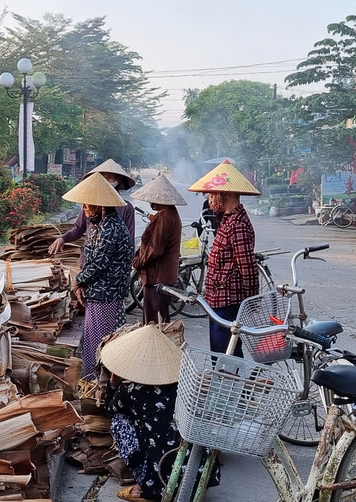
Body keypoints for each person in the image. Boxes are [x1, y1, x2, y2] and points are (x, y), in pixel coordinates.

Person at [100, 324, 218, 502]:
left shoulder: (130, 390)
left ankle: (146, 484)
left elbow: (109, 408)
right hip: (200, 478)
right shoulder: (184, 382)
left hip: (162, 484)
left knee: (119, 420)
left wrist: (113, 384)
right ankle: (184, 478)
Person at [62, 173, 133, 381]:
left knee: (100, 341)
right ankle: (95, 381)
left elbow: (98, 264)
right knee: (93, 339)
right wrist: (82, 283)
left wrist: (78, 281)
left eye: (88, 206)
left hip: (106, 295)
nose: (85, 210)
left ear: (101, 206)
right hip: (99, 293)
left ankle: (96, 384)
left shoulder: (110, 228)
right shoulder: (101, 226)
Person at [188, 161, 260, 354]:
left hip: (229, 300)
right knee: (220, 351)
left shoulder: (237, 224)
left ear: (225, 194)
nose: (210, 199)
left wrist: (251, 301)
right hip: (218, 300)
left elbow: (248, 267)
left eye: (213, 194)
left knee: (227, 353)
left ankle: (231, 383)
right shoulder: (226, 219)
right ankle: (226, 381)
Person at [49, 159, 137, 259]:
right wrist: (63, 238)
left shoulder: (126, 208)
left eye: (110, 178)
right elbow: (78, 228)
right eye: (102, 177)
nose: (105, 181)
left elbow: (129, 240)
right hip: (88, 259)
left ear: (118, 180)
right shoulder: (90, 203)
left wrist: (129, 263)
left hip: (111, 264)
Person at [130, 174, 186, 324]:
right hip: (160, 276)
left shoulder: (165, 216)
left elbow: (155, 249)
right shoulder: (168, 214)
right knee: (158, 317)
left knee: (155, 321)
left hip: (157, 276)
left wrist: (138, 262)